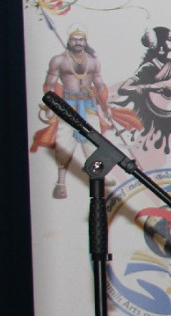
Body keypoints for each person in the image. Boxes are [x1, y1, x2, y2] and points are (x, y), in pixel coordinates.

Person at [33, 28, 139, 200]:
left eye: (81, 39)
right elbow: (49, 84)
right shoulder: (59, 60)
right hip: (67, 107)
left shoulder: (93, 62)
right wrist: (51, 106)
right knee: (64, 144)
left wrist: (105, 105)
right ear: (69, 40)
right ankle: (61, 182)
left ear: (85, 40)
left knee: (94, 145)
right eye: (74, 39)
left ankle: (99, 176)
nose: (78, 42)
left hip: (88, 105)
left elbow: (100, 85)